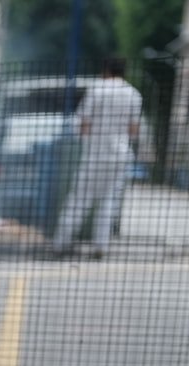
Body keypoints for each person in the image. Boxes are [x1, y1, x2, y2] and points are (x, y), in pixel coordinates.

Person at [53, 57, 143, 258]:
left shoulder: (97, 89)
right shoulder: (133, 94)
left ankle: (61, 243)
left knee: (79, 199)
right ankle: (101, 246)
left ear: (105, 70)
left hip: (95, 155)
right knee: (108, 200)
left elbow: (83, 123)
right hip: (120, 155)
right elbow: (134, 130)